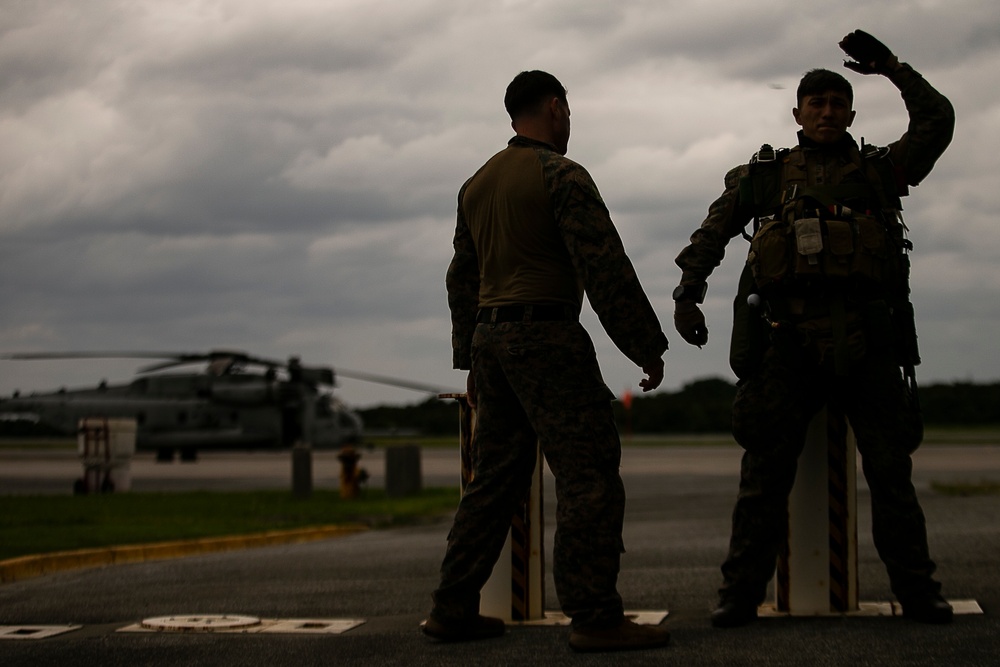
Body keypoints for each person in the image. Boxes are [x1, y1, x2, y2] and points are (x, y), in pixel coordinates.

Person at [672, 30, 956, 627]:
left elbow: (937, 122)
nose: (827, 112)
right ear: (796, 111)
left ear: (851, 112)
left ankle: (920, 591)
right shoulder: (766, 176)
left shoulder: (881, 171)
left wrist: (893, 68)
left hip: (868, 338)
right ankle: (739, 594)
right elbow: (712, 232)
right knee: (762, 475)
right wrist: (688, 292)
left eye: (837, 103)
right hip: (789, 340)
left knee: (890, 474)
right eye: (815, 103)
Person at [424, 70, 671, 652]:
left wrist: (470, 359)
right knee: (588, 477)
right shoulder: (562, 175)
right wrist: (646, 345)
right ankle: (594, 615)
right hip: (548, 338)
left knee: (493, 481)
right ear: (555, 108)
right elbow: (604, 267)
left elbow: (462, 277)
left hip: (491, 342)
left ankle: (451, 607)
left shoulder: (476, 184)